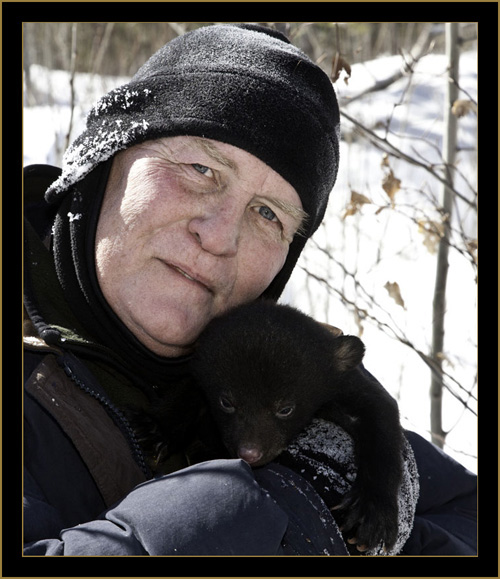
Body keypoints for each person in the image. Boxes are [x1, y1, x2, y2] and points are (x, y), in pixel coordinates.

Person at [23, 23, 476, 556]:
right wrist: (265, 507)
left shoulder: (297, 377)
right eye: (199, 168)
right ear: (100, 164)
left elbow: (469, 513)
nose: (218, 237)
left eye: (268, 214)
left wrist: (367, 526)